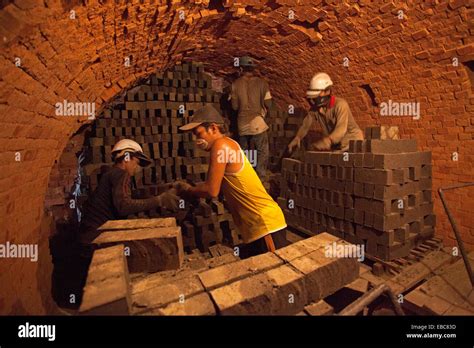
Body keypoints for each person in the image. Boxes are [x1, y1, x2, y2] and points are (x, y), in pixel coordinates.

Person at [176, 104, 289, 258]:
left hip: (266, 225)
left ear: (213, 128)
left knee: (278, 276)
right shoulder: (230, 143)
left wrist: (187, 190)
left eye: (198, 133)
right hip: (257, 228)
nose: (197, 140)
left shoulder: (221, 145)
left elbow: (211, 190)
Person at [79, 139, 180, 245]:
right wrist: (159, 200)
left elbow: (125, 199)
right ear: (126, 158)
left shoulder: (110, 174)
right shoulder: (121, 174)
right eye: (136, 162)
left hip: (90, 235)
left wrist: (159, 192)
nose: (136, 167)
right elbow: (124, 206)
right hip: (96, 238)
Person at [288, 72, 363, 154]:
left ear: (327, 91)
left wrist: (326, 141)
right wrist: (297, 137)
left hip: (352, 143)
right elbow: (306, 125)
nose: (315, 99)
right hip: (337, 144)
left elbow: (340, 130)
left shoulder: (341, 105)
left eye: (317, 95)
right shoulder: (315, 108)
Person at [230, 56, 272, 181]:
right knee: (262, 150)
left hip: (242, 124)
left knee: (244, 151)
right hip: (256, 123)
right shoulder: (262, 83)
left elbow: (234, 106)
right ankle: (260, 177)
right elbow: (268, 103)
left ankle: (245, 177)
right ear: (253, 69)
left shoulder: (235, 84)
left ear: (241, 68)